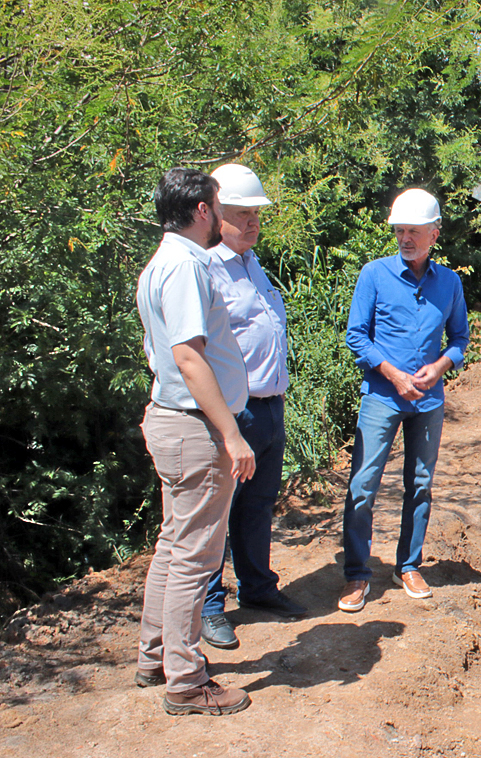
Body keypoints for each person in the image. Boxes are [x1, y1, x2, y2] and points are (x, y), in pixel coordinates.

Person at [134, 167, 254, 716]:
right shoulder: (184, 268)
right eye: (218, 204)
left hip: (171, 419)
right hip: (194, 429)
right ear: (204, 210)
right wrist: (230, 434)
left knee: (172, 544)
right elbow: (187, 355)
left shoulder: (159, 264)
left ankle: (154, 655)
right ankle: (185, 681)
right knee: (194, 557)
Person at [338, 188, 469, 613]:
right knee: (362, 485)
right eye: (400, 230)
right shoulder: (374, 275)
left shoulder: (449, 283)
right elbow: (356, 336)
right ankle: (357, 574)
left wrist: (442, 366)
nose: (405, 238)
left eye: (414, 230)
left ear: (434, 234)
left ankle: (407, 565)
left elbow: (461, 338)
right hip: (381, 396)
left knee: (420, 484)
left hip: (428, 403)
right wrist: (392, 374)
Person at [194, 164, 307, 650]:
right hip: (233, 413)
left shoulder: (251, 263)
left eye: (256, 214)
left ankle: (258, 589)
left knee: (258, 505)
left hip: (269, 407)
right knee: (220, 512)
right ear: (217, 215)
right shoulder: (205, 270)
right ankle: (210, 605)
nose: (251, 223)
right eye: (241, 215)